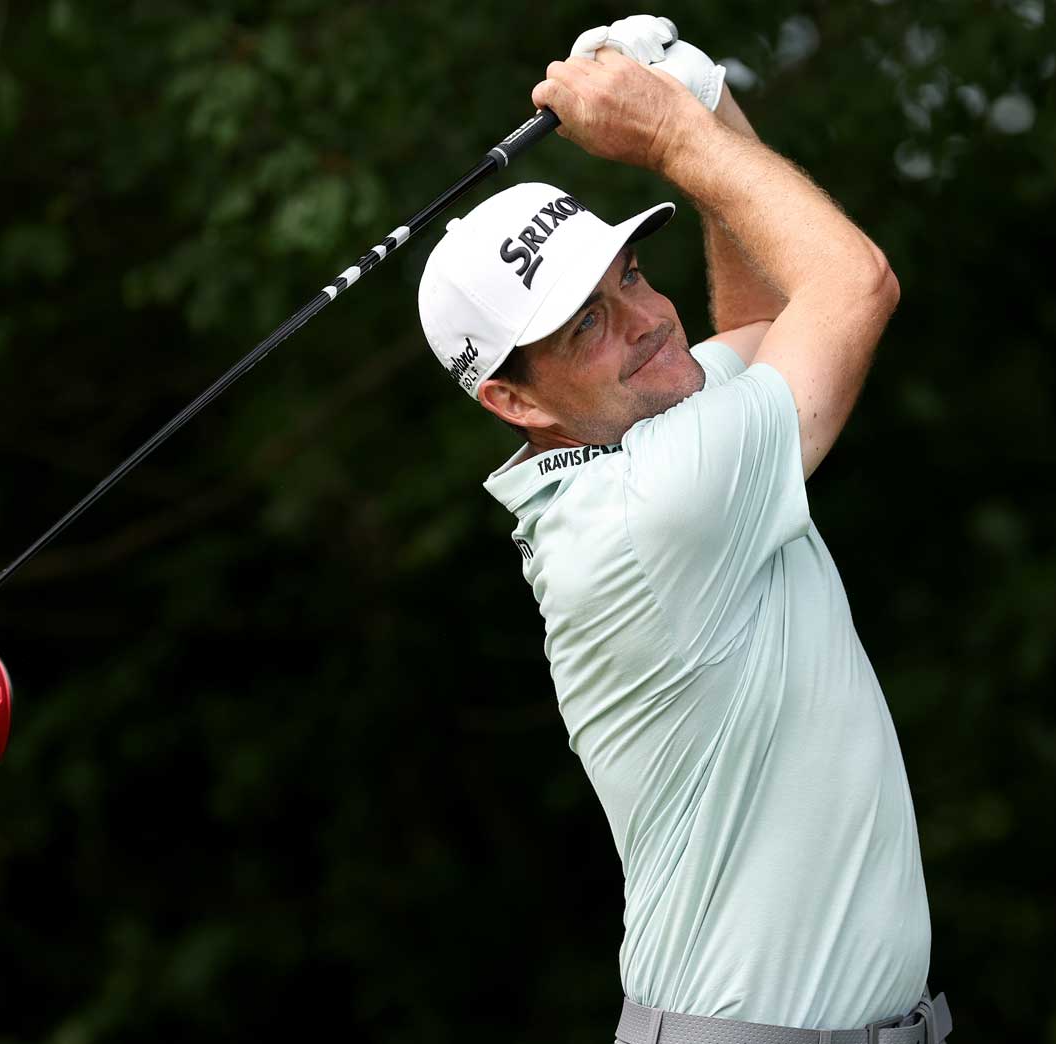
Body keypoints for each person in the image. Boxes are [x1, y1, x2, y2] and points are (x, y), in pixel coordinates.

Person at [416, 16, 950, 1044]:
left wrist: (706, 105)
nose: (645, 316)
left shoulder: (628, 453)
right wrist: (669, 134)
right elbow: (850, 285)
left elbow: (761, 321)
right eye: (585, 323)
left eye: (625, 272)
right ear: (512, 402)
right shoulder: (648, 510)